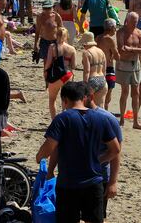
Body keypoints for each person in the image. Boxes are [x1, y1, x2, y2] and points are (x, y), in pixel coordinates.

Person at [36, 82, 120, 223]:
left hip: (68, 184)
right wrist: (97, 160)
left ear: (65, 100)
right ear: (84, 98)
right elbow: (115, 149)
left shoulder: (62, 119)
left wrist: (39, 158)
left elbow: (49, 148)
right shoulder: (101, 118)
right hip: (94, 182)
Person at [83, 84, 122, 222]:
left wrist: (113, 182)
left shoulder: (108, 119)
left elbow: (116, 152)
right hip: (77, 177)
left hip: (100, 178)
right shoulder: (74, 115)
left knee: (95, 218)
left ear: (90, 97)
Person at [116, 12, 141, 130]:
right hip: (124, 65)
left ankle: (135, 121)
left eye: (137, 21)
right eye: (133, 21)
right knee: (124, 91)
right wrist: (136, 50)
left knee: (136, 93)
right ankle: (121, 120)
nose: (135, 23)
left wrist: (131, 49)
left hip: (135, 65)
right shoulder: (121, 32)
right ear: (127, 20)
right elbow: (121, 50)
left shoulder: (139, 32)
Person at [44, 27, 76, 119]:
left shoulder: (52, 47)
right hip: (68, 74)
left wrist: (46, 72)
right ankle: (66, 118)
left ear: (56, 35)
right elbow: (73, 65)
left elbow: (49, 62)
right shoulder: (72, 48)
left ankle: (54, 121)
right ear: (67, 36)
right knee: (66, 99)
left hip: (56, 75)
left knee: (52, 100)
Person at [96, 19, 120, 110]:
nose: (116, 30)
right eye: (115, 28)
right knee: (108, 93)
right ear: (112, 28)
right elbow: (117, 57)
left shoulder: (98, 38)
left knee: (98, 92)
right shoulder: (110, 40)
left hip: (98, 68)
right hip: (109, 68)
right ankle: (105, 110)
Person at [80, 32, 108, 108]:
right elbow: (104, 69)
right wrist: (103, 79)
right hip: (102, 79)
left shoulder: (86, 53)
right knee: (100, 108)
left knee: (88, 106)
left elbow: (87, 71)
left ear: (86, 43)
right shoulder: (101, 51)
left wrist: (85, 84)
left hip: (92, 79)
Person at [34, 0, 61, 67]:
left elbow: (62, 31)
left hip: (55, 42)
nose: (47, 10)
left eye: (49, 8)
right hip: (44, 42)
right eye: (45, 8)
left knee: (55, 62)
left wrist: (62, 43)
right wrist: (35, 44)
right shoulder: (39, 17)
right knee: (46, 62)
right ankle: (46, 76)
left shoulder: (57, 16)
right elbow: (37, 31)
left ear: (52, 8)